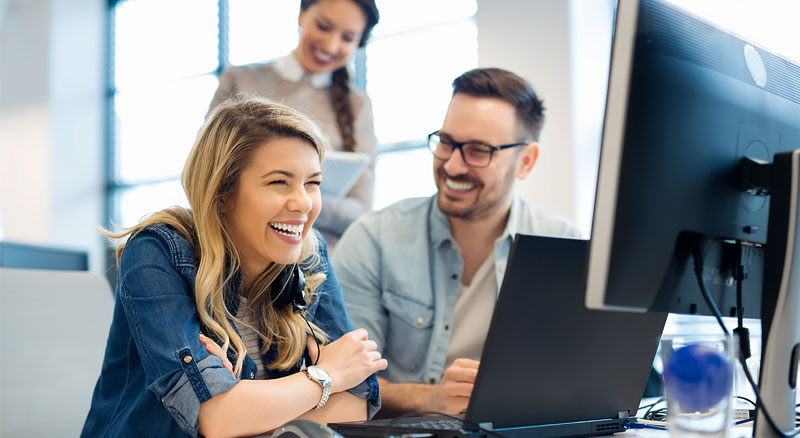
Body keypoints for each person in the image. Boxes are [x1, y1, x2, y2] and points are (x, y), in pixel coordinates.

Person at [82, 96, 387, 437]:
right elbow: (217, 418)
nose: (303, 202)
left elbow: (355, 406)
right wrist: (326, 376)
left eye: (312, 183)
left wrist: (243, 400)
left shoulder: (308, 256)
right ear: (222, 192)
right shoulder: (156, 252)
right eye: (278, 182)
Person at [332, 68, 581, 416]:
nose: (452, 164)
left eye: (478, 150)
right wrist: (430, 399)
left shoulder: (566, 248)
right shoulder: (373, 239)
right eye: (446, 142)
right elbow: (346, 382)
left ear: (526, 161)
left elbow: (585, 379)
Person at [209, 0, 380, 247]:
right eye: (323, 26)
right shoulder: (240, 81)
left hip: (318, 265)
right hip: (238, 250)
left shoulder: (357, 106)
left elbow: (362, 211)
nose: (331, 45)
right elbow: (205, 172)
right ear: (301, 14)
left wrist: (302, 196)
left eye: (348, 38)